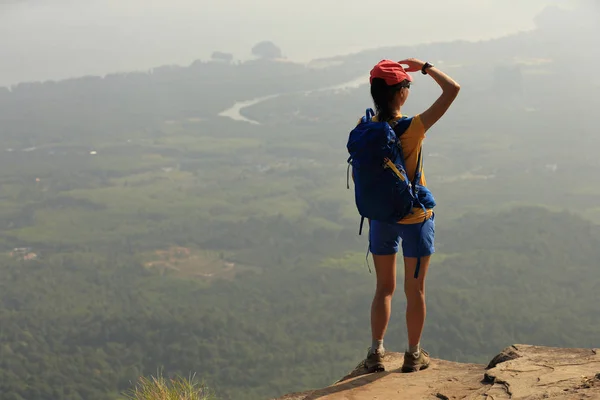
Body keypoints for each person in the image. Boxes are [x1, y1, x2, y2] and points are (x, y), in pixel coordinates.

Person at [362, 59, 460, 373]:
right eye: (407, 85)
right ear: (400, 93)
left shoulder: (367, 129)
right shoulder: (413, 128)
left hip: (380, 217)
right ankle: (413, 355)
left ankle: (376, 352)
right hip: (415, 217)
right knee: (414, 289)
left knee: (383, 289)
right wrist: (425, 67)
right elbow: (452, 89)